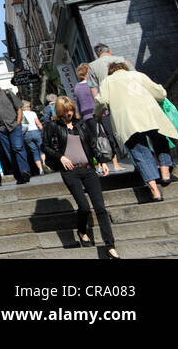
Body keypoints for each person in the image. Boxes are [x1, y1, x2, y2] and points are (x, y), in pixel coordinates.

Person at [42, 95, 117, 258]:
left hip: (88, 169)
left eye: (71, 110)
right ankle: (82, 230)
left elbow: (92, 143)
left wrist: (101, 161)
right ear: (59, 111)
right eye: (66, 110)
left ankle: (110, 246)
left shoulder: (81, 124)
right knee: (84, 207)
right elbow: (45, 146)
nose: (69, 113)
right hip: (70, 172)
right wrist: (60, 156)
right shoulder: (52, 126)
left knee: (100, 208)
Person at [97, 62, 178, 202]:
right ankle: (165, 173)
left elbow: (102, 101)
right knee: (160, 140)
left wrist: (97, 113)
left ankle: (155, 191)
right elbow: (159, 94)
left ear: (111, 72)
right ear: (125, 69)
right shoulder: (137, 75)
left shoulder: (107, 81)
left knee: (140, 152)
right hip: (150, 115)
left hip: (128, 121)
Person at [74, 62, 122, 171]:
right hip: (100, 114)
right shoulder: (92, 84)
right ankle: (115, 164)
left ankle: (100, 165)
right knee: (108, 137)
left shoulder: (77, 87)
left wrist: (81, 116)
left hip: (87, 117)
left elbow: (78, 104)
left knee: (95, 140)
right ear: (88, 71)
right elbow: (100, 99)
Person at [0, 75, 31, 184]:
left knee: (18, 148)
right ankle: (18, 176)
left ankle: (25, 171)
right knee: (9, 152)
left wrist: (18, 122)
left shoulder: (8, 93)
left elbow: (19, 107)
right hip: (1, 129)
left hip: (14, 125)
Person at [21, 101, 45, 175]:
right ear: (28, 107)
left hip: (27, 134)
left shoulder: (21, 114)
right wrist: (42, 129)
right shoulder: (33, 113)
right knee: (41, 149)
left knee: (34, 152)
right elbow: (39, 124)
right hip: (35, 132)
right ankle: (44, 163)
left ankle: (40, 169)